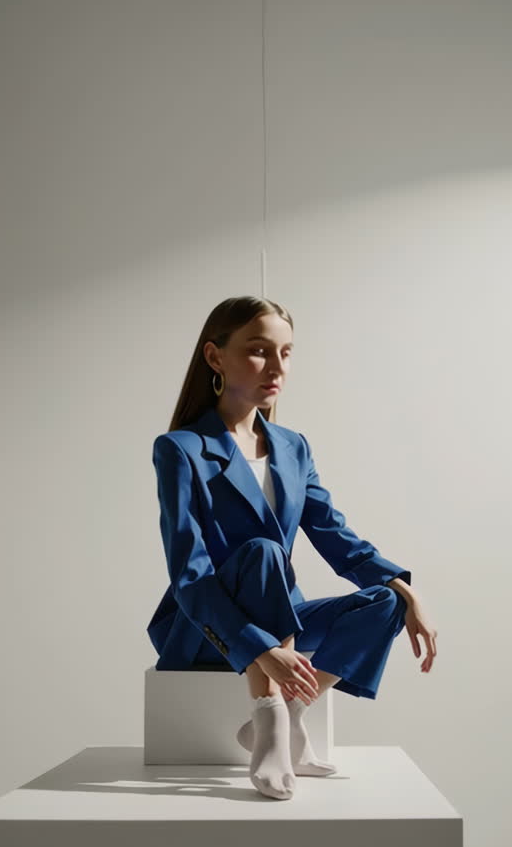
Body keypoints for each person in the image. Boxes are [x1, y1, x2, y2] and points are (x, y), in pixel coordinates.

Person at [148, 295, 437, 801]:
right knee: (262, 550)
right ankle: (269, 719)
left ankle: (295, 704)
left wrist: (406, 591)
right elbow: (190, 576)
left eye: (286, 352)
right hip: (207, 631)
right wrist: (262, 647)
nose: (277, 367)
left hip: (283, 619)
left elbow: (336, 537)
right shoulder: (181, 449)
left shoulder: (292, 447)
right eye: (259, 351)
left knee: (385, 600)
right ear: (216, 358)